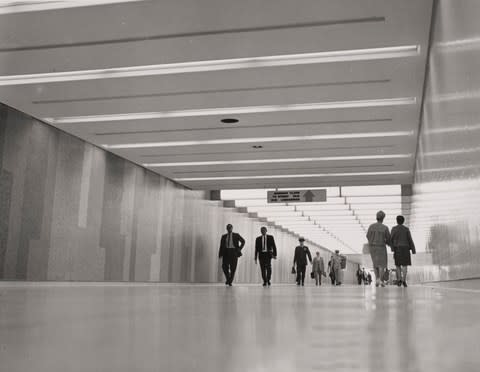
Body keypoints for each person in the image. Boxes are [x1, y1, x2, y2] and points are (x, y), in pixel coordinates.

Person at [366, 210, 391, 287]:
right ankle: (381, 280)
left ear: (376, 217)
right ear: (383, 218)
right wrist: (389, 244)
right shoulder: (385, 228)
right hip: (381, 247)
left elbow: (367, 236)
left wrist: (372, 241)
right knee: (382, 265)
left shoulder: (371, 226)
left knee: (375, 264)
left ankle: (377, 279)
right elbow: (388, 239)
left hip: (372, 248)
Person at [391, 215, 416, 287]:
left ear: (397, 221)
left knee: (398, 265)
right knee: (405, 265)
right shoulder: (406, 229)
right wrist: (413, 250)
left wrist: (392, 248)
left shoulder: (394, 229)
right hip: (406, 248)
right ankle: (404, 281)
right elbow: (410, 239)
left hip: (397, 248)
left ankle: (399, 280)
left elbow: (391, 239)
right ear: (403, 221)